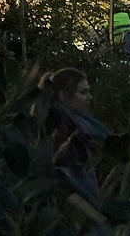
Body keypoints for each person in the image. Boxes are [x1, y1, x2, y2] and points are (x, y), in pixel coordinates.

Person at [41, 68, 108, 202]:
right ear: (63, 95)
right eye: (83, 92)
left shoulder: (82, 124)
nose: (90, 97)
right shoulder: (63, 128)